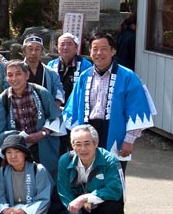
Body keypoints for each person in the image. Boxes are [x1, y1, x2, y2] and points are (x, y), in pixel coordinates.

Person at [63, 32, 153, 172]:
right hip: (89, 130)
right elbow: (73, 110)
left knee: (114, 177)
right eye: (95, 49)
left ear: (113, 51)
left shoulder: (128, 77)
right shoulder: (84, 77)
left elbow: (136, 111)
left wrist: (129, 140)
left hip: (114, 130)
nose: (99, 53)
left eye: (104, 49)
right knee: (87, 175)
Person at [49, 124, 126, 214]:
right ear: (72, 145)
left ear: (96, 144)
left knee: (111, 209)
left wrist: (85, 198)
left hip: (101, 205)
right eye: (77, 144)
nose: (82, 149)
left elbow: (115, 190)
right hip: (80, 208)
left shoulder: (110, 160)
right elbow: (64, 192)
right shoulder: (65, 160)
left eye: (87, 144)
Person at [0, 60, 64, 176]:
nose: (14, 78)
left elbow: (56, 118)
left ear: (27, 75)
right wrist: (19, 136)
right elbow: (0, 131)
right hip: (19, 148)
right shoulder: (4, 99)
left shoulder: (41, 92)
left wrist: (43, 133)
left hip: (42, 145)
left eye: (18, 74)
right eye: (10, 75)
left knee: (46, 178)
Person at [0, 134, 53, 214]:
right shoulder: (3, 170)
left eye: (17, 151)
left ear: (25, 153)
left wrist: (22, 211)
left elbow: (44, 198)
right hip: (12, 211)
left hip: (33, 212)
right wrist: (6, 210)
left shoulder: (38, 170)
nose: (13, 156)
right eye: (9, 152)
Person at [22, 35, 65, 107]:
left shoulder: (51, 73)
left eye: (37, 49)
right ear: (24, 51)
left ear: (42, 52)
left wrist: (53, 109)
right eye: (30, 49)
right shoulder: (16, 71)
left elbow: (59, 92)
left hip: (45, 112)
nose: (33, 53)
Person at [48, 32, 91, 104]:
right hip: (55, 108)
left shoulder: (86, 65)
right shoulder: (51, 65)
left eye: (69, 44)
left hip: (76, 107)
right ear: (57, 48)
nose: (65, 47)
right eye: (62, 44)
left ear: (76, 47)